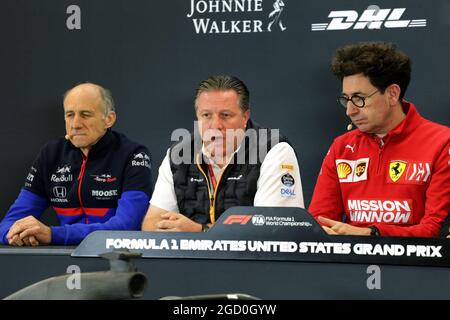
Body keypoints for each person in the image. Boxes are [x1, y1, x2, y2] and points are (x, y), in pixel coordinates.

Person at [308, 42, 450, 237]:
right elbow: (319, 220)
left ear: (392, 94)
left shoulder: (442, 143)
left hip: (416, 266)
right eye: (346, 99)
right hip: (348, 263)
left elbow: (436, 231)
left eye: (359, 98)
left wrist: (372, 234)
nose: (350, 111)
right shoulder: (342, 146)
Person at [142, 75, 304, 232]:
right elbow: (151, 223)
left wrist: (200, 231)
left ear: (245, 117)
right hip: (190, 259)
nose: (216, 125)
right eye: (206, 115)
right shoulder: (179, 153)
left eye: (226, 115)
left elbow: (272, 228)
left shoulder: (274, 150)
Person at [0, 83, 152, 246]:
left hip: (115, 257)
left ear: (109, 119)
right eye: (70, 115)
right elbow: (7, 225)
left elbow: (125, 228)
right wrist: (17, 235)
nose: (76, 124)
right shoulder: (51, 154)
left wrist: (53, 235)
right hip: (63, 257)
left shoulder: (134, 154)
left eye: (85, 115)